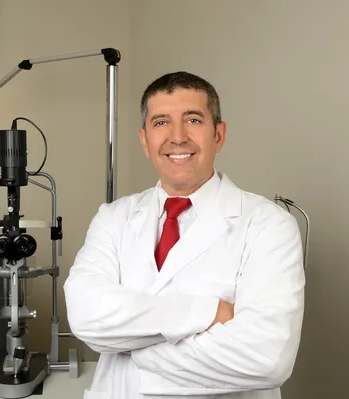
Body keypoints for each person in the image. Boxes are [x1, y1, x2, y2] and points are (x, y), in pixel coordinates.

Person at [63, 71, 305, 399]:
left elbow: (266, 358)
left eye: (193, 119)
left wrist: (133, 353)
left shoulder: (268, 225)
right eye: (161, 122)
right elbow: (87, 318)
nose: (177, 137)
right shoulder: (113, 218)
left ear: (218, 135)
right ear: (145, 140)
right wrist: (208, 313)